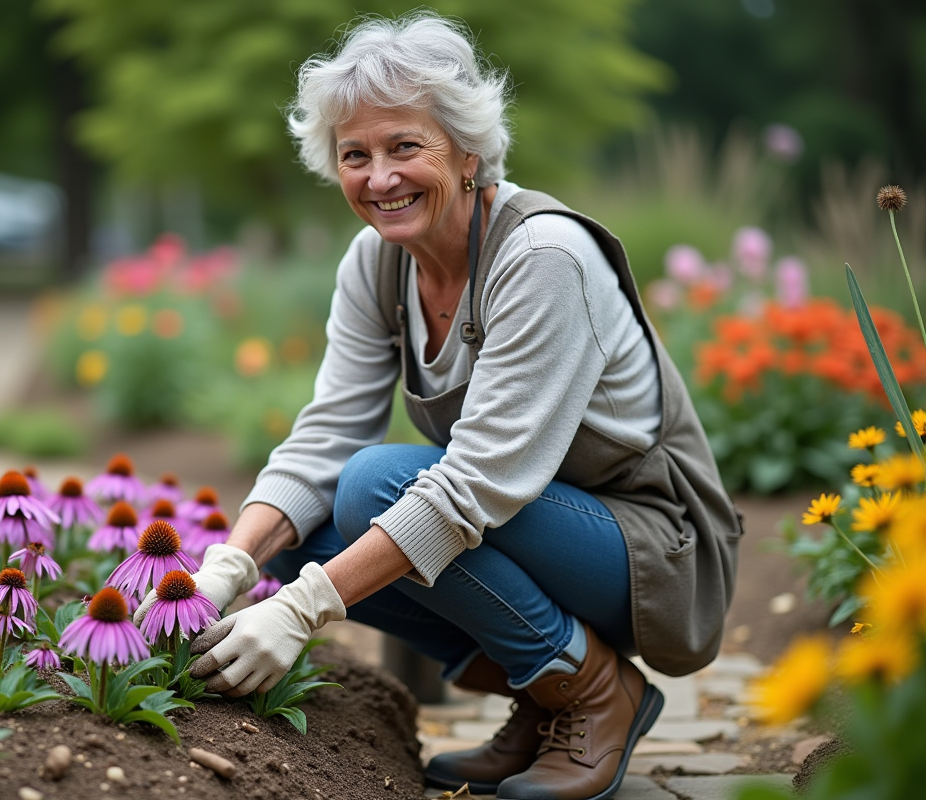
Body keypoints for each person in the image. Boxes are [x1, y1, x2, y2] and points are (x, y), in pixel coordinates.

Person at [135, 12, 741, 800]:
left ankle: (595, 691)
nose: (379, 178)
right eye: (356, 155)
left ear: (468, 152)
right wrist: (228, 566)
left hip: (652, 549)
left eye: (404, 147)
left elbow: (480, 481)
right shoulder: (376, 264)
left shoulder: (543, 257)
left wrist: (302, 610)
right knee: (298, 532)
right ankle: (543, 691)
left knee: (375, 488)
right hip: (539, 529)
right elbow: (325, 436)